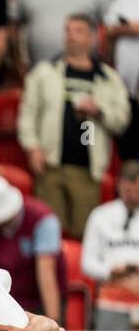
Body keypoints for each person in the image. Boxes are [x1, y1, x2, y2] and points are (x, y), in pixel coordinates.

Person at [18, 14, 131, 240]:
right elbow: (27, 115)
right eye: (67, 30)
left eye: (78, 31)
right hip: (51, 164)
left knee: (85, 235)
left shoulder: (109, 78)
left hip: (88, 169)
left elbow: (122, 120)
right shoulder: (44, 72)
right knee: (49, 235)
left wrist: (98, 110)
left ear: (92, 37)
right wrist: (32, 148)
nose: (71, 36)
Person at [0, 174, 67, 321]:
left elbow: (46, 275)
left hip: (39, 301)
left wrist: (53, 323)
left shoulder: (43, 219)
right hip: (0, 300)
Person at [15, 0, 110, 67]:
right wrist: (18, 63)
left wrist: (105, 60)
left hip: (87, 74)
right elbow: (13, 27)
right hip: (39, 74)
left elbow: (109, 26)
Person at [83, 160, 139, 325]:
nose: (132, 195)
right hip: (111, 301)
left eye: (136, 190)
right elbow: (87, 263)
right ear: (119, 184)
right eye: (127, 189)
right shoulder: (101, 215)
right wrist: (110, 271)